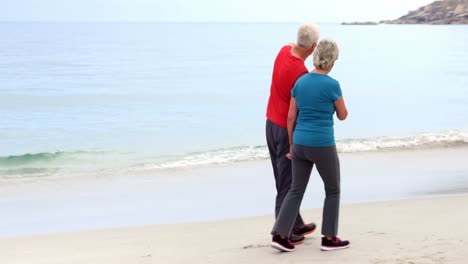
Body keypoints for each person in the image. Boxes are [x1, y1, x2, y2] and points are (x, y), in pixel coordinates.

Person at [270, 39, 350, 252]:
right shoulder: (332, 84)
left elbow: (290, 117)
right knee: (332, 190)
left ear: (315, 57)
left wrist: (291, 145)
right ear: (332, 61)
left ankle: (280, 235)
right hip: (322, 144)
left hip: (300, 143)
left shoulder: (301, 82)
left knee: (295, 190)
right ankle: (329, 238)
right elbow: (343, 115)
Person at [265, 23, 320, 245]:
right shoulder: (301, 74)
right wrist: (292, 143)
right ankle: (281, 233)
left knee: (284, 179)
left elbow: (291, 45)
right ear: (313, 46)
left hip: (270, 124)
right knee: (288, 183)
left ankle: (295, 223)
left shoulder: (283, 51)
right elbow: (295, 113)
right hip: (284, 129)